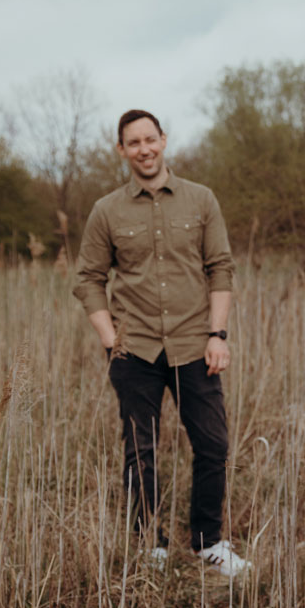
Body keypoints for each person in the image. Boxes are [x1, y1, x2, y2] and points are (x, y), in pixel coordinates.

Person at [73, 109, 250, 577]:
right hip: (136, 351)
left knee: (213, 446)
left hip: (196, 345)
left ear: (164, 140)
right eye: (134, 143)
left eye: (150, 139)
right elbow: (88, 279)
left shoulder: (201, 199)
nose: (144, 149)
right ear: (122, 150)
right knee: (140, 451)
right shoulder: (106, 210)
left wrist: (218, 334)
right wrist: (112, 342)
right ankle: (150, 544)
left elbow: (221, 268)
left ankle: (208, 543)